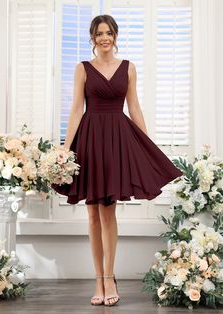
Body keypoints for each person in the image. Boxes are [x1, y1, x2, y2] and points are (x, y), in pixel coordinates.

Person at [52, 14, 183, 306]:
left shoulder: (129, 68)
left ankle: (109, 277)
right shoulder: (82, 69)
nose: (104, 38)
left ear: (115, 36)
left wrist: (145, 143)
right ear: (92, 38)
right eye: (99, 33)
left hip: (116, 140)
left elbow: (134, 107)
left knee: (107, 211)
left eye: (109, 32)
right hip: (90, 140)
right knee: (92, 212)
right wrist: (65, 148)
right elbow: (76, 110)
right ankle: (98, 279)